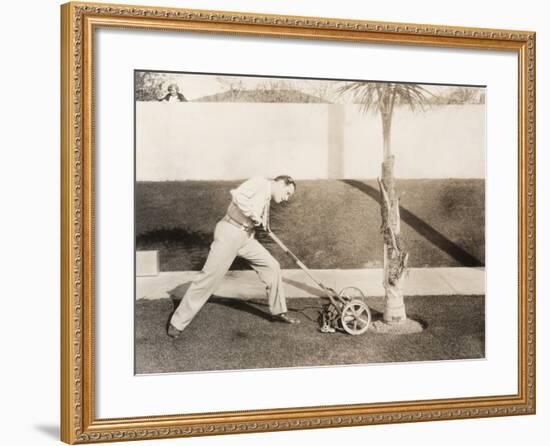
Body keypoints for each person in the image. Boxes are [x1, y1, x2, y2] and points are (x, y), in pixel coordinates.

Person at [167, 175, 300, 339]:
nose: (286, 198)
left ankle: (278, 311)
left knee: (272, 266)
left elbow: (257, 215)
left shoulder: (267, 195)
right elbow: (237, 195)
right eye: (287, 193)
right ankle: (177, 323)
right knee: (209, 278)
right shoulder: (259, 182)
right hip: (230, 232)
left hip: (246, 238)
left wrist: (262, 222)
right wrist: (254, 215)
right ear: (280, 183)